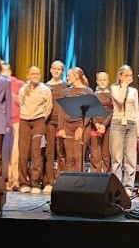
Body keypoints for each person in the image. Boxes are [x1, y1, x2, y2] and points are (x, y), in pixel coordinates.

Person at [17, 66, 52, 194]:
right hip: (24, 121)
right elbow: (21, 104)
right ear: (28, 75)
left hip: (39, 121)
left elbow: (49, 107)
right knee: (23, 152)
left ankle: (35, 183)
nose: (36, 76)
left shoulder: (45, 90)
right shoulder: (23, 90)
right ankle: (23, 183)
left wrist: (41, 119)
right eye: (33, 74)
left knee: (36, 152)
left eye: (37, 73)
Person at [109, 65, 139, 191]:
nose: (129, 77)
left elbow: (136, 110)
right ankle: (117, 187)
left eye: (130, 75)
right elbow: (120, 101)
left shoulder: (134, 91)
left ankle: (128, 186)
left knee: (131, 157)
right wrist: (124, 85)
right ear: (120, 76)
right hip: (117, 124)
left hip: (131, 124)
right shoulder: (114, 88)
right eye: (126, 75)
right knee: (117, 157)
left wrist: (138, 129)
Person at [57, 67, 94, 172]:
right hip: (67, 126)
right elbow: (61, 111)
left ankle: (79, 181)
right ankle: (70, 181)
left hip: (82, 126)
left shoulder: (87, 91)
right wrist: (61, 128)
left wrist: (81, 127)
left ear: (77, 76)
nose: (67, 78)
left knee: (78, 156)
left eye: (69, 75)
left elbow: (89, 112)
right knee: (70, 157)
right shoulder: (65, 92)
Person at [43, 61, 68, 194]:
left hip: (62, 122)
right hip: (49, 122)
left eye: (59, 69)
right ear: (51, 70)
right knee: (49, 151)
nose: (56, 71)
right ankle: (49, 181)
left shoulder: (66, 86)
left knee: (61, 151)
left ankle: (61, 180)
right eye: (54, 68)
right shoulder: (45, 86)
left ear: (62, 72)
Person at [2, 63, 25, 191]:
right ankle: (6, 179)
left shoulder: (19, 84)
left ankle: (15, 178)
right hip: (2, 121)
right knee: (4, 151)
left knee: (15, 151)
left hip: (16, 120)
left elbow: (24, 101)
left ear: (9, 71)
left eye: (4, 70)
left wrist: (14, 96)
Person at [90, 72, 113, 172]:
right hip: (95, 125)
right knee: (95, 151)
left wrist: (104, 125)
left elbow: (112, 111)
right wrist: (96, 123)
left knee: (106, 151)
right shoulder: (93, 95)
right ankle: (96, 174)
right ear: (97, 81)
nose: (102, 82)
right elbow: (90, 111)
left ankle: (107, 173)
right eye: (100, 80)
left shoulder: (111, 94)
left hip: (107, 125)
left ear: (108, 81)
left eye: (104, 80)